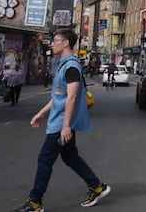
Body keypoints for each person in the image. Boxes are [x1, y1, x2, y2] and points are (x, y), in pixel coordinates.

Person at [14, 28, 110, 212]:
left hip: (60, 124)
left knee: (45, 160)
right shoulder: (64, 65)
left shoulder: (71, 67)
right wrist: (41, 112)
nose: (52, 43)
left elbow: (72, 98)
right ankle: (97, 187)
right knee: (70, 157)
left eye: (55, 40)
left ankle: (35, 202)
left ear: (65, 43)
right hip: (59, 121)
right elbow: (60, 96)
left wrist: (66, 126)